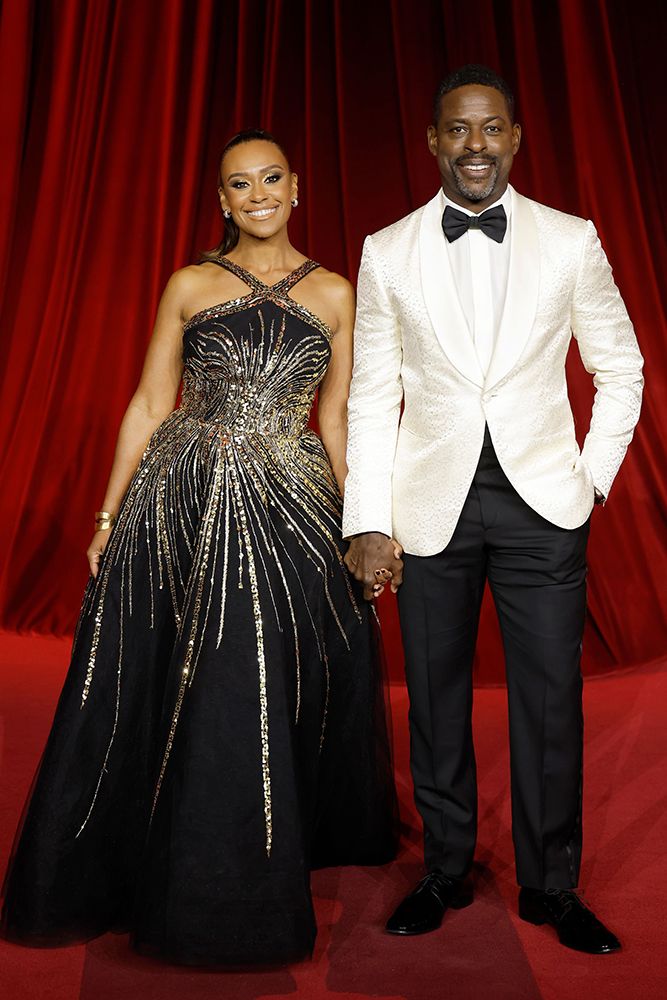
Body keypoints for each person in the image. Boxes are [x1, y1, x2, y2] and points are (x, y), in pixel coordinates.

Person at [1, 128, 397, 966]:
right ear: (221, 200)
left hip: (289, 502)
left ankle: (259, 859)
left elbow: (334, 420)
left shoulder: (334, 292)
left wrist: (363, 521)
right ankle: (165, 859)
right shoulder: (187, 282)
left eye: (270, 179)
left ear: (296, 188)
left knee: (267, 678)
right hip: (178, 496)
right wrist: (107, 520)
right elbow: (149, 402)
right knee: (176, 674)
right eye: (238, 184)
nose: (256, 195)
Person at [343, 65, 643, 954]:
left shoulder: (570, 240)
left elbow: (619, 367)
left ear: (514, 138)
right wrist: (368, 519)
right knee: (433, 702)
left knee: (549, 702)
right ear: (433, 140)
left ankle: (553, 885)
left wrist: (588, 481)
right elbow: (369, 397)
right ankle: (444, 869)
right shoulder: (386, 249)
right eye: (457, 130)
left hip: (541, 504)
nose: (474, 144)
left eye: (490, 129)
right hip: (427, 505)